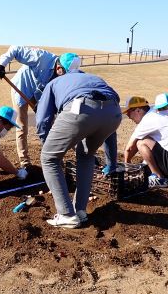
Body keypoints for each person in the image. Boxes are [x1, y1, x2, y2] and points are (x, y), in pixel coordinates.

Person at [36, 62, 122, 228]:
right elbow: (109, 129)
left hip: (79, 108)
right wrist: (111, 163)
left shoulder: (54, 82)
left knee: (48, 159)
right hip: (114, 113)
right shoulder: (95, 78)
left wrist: (48, 146)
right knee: (86, 155)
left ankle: (66, 215)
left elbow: (42, 120)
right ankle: (80, 211)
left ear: (62, 70)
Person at [0, 46, 79, 169]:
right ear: (59, 67)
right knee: (22, 126)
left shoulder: (64, 75)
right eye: (65, 74)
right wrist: (2, 64)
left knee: (51, 122)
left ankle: (58, 156)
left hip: (39, 94)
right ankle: (25, 163)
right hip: (22, 88)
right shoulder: (42, 57)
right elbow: (16, 49)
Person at [123, 96, 168, 188]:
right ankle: (162, 174)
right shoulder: (156, 115)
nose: (129, 117)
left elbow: (129, 148)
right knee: (145, 140)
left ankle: (159, 178)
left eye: (129, 113)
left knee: (141, 143)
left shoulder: (147, 120)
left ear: (138, 110)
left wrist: (126, 167)